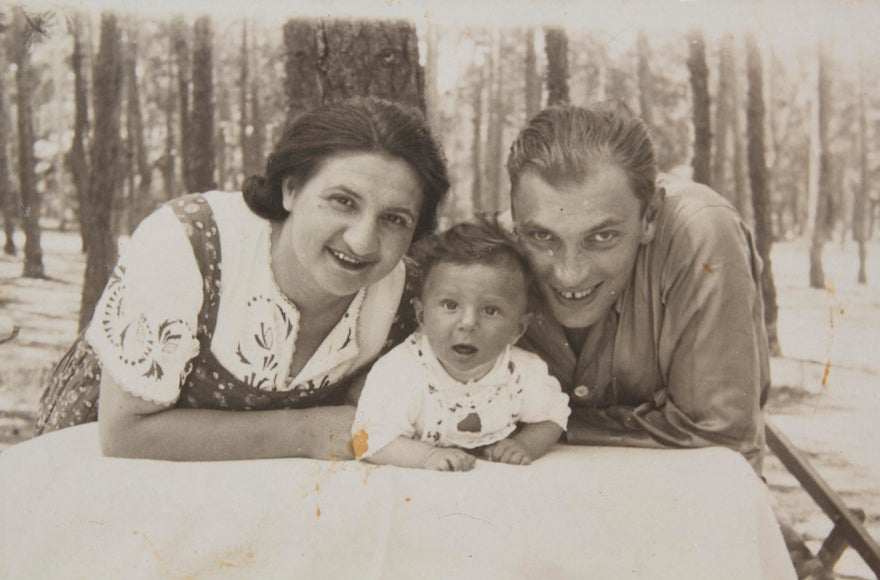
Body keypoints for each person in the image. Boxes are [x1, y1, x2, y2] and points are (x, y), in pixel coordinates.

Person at [35, 97, 450, 462]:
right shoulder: (188, 244)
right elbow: (123, 433)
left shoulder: (409, 301)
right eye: (342, 201)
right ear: (290, 189)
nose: (362, 240)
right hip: (111, 467)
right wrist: (306, 432)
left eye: (394, 219)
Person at [506, 102, 770, 472]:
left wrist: (551, 427)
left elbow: (719, 437)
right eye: (541, 236)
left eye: (601, 236)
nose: (568, 274)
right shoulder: (496, 253)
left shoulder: (700, 234)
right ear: (514, 219)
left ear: (649, 215)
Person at [352, 219, 570, 471]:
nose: (468, 323)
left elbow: (553, 418)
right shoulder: (402, 372)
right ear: (422, 317)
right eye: (450, 305)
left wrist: (524, 445)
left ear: (517, 330)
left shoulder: (522, 372)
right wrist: (426, 457)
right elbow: (369, 440)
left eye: (490, 310)